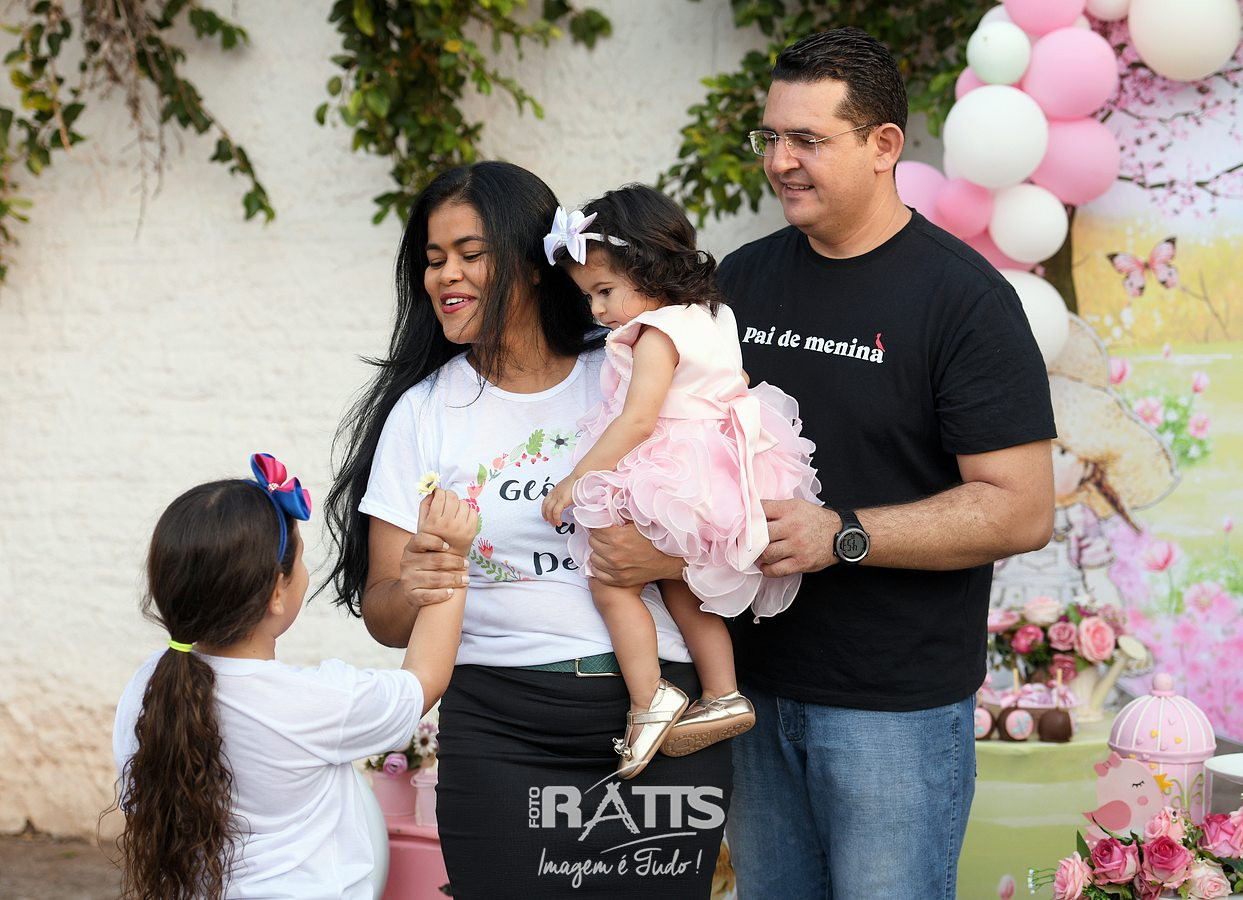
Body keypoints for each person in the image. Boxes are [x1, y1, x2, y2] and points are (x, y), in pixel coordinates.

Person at [582, 28, 1057, 900]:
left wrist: (843, 534)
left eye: (807, 139)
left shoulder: (963, 300)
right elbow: (680, 452)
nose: (779, 162)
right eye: (770, 136)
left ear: (884, 145)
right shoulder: (738, 283)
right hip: (747, 689)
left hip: (892, 711)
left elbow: (1020, 507)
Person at [323, 162, 732, 898]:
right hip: (501, 733)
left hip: (661, 724)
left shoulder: (625, 366)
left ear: (533, 264)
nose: (447, 274)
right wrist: (418, 582)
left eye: (471, 254)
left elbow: (732, 519)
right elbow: (385, 616)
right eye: (434, 259)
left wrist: (661, 559)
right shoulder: (423, 412)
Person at [539, 184, 820, 778]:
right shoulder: (714, 315)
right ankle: (723, 692)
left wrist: (576, 479)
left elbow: (638, 419)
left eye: (605, 291)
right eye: (588, 296)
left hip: (671, 463)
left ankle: (649, 698)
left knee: (610, 579)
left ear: (648, 266)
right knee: (684, 586)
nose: (597, 311)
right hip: (717, 468)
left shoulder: (655, 334)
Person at [111, 453, 474, 899]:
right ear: (276, 594)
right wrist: (450, 554)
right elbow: (426, 678)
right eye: (300, 560)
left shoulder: (148, 686)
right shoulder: (313, 703)